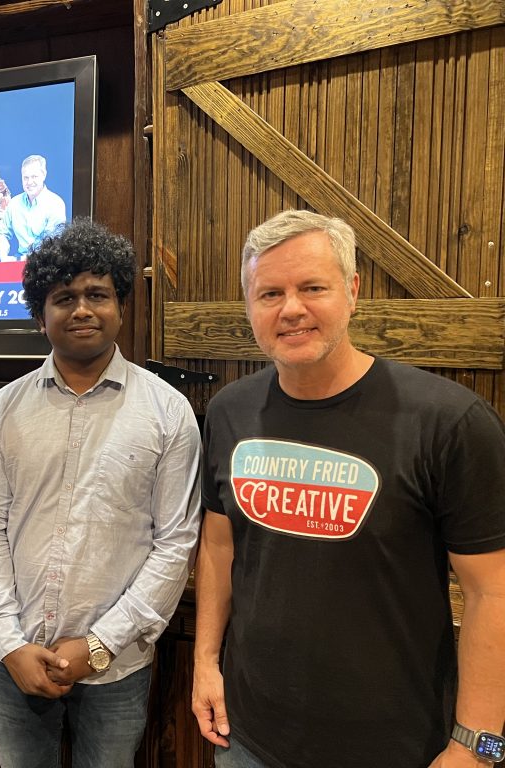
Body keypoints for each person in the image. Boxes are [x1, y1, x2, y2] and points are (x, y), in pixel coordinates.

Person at [193, 210, 505, 768]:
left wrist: (477, 744)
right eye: (269, 294)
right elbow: (219, 546)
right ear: (249, 306)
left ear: (353, 291)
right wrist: (205, 662)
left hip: (397, 745)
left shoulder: (448, 421)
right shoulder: (229, 411)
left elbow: (493, 591)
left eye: (312, 287)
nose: (291, 309)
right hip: (248, 737)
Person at [0, 218, 202, 767]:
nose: (81, 309)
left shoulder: (167, 413)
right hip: (14, 659)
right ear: (39, 314)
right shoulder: (3, 408)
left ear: (121, 306)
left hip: (116, 668)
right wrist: (9, 640)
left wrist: (99, 645)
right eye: (64, 297)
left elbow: (175, 543)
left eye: (97, 294)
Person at [0, 154, 67, 261]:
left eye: (34, 177)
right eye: (26, 178)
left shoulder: (56, 204)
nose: (29, 182)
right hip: (18, 263)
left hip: (46, 265)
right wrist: (3, 254)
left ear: (44, 175)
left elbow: (51, 244)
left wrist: (21, 260)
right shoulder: (14, 203)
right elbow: (1, 232)